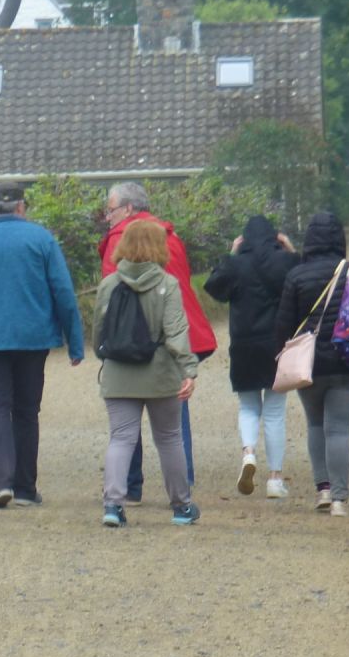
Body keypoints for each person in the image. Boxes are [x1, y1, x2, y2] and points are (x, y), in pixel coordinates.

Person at [0, 181, 84, 508]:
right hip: (32, 337)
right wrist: (75, 341)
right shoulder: (41, 239)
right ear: (21, 207)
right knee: (27, 410)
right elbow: (63, 292)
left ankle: (0, 483)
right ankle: (24, 487)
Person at [97, 180, 217, 499]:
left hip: (137, 338)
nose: (107, 217)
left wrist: (105, 348)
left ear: (128, 209)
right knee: (173, 419)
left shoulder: (121, 238)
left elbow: (113, 299)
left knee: (126, 420)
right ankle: (182, 483)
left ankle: (129, 487)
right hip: (184, 332)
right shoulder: (170, 236)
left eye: (110, 210)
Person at [93, 220, 201, 528]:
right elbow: (176, 332)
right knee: (169, 438)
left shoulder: (109, 284)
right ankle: (181, 506)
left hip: (118, 373)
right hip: (160, 373)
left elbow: (99, 331)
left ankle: (113, 505)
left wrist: (105, 356)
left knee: (121, 438)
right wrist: (189, 369)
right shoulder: (167, 284)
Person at [205, 215, 299, 499]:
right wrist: (290, 248)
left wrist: (231, 254)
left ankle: (248, 453)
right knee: (274, 412)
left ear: (243, 238)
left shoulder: (236, 266)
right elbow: (304, 274)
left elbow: (214, 286)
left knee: (247, 406)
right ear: (274, 237)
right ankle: (275, 479)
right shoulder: (283, 263)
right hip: (277, 346)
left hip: (244, 346)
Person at [275, 212, 349, 516]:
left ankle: (323, 489)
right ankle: (339, 498)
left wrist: (280, 356)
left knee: (315, 424)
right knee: (338, 430)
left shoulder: (296, 276)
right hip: (346, 363)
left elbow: (284, 323)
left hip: (308, 363)